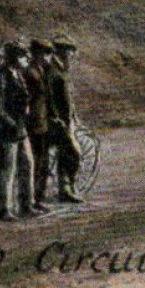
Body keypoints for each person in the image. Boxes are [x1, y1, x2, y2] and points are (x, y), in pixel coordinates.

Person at [0, 43, 35, 221]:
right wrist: (12, 123)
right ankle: (4, 209)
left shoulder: (18, 75)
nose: (27, 59)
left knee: (27, 165)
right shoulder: (0, 78)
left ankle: (27, 204)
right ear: (13, 58)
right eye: (23, 56)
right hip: (8, 130)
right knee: (8, 169)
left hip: (20, 129)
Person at [41, 39, 84, 204]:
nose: (72, 55)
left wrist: (73, 117)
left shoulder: (61, 68)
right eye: (70, 51)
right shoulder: (52, 69)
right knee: (73, 152)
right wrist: (55, 117)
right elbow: (49, 97)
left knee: (66, 152)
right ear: (62, 51)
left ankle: (65, 187)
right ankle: (65, 189)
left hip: (65, 119)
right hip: (57, 122)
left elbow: (67, 99)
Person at [24, 40, 54, 213]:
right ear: (35, 54)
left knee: (43, 162)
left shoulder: (43, 71)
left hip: (43, 122)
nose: (45, 57)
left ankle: (39, 198)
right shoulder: (30, 73)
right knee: (36, 162)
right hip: (34, 122)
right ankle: (33, 199)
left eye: (47, 54)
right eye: (43, 53)